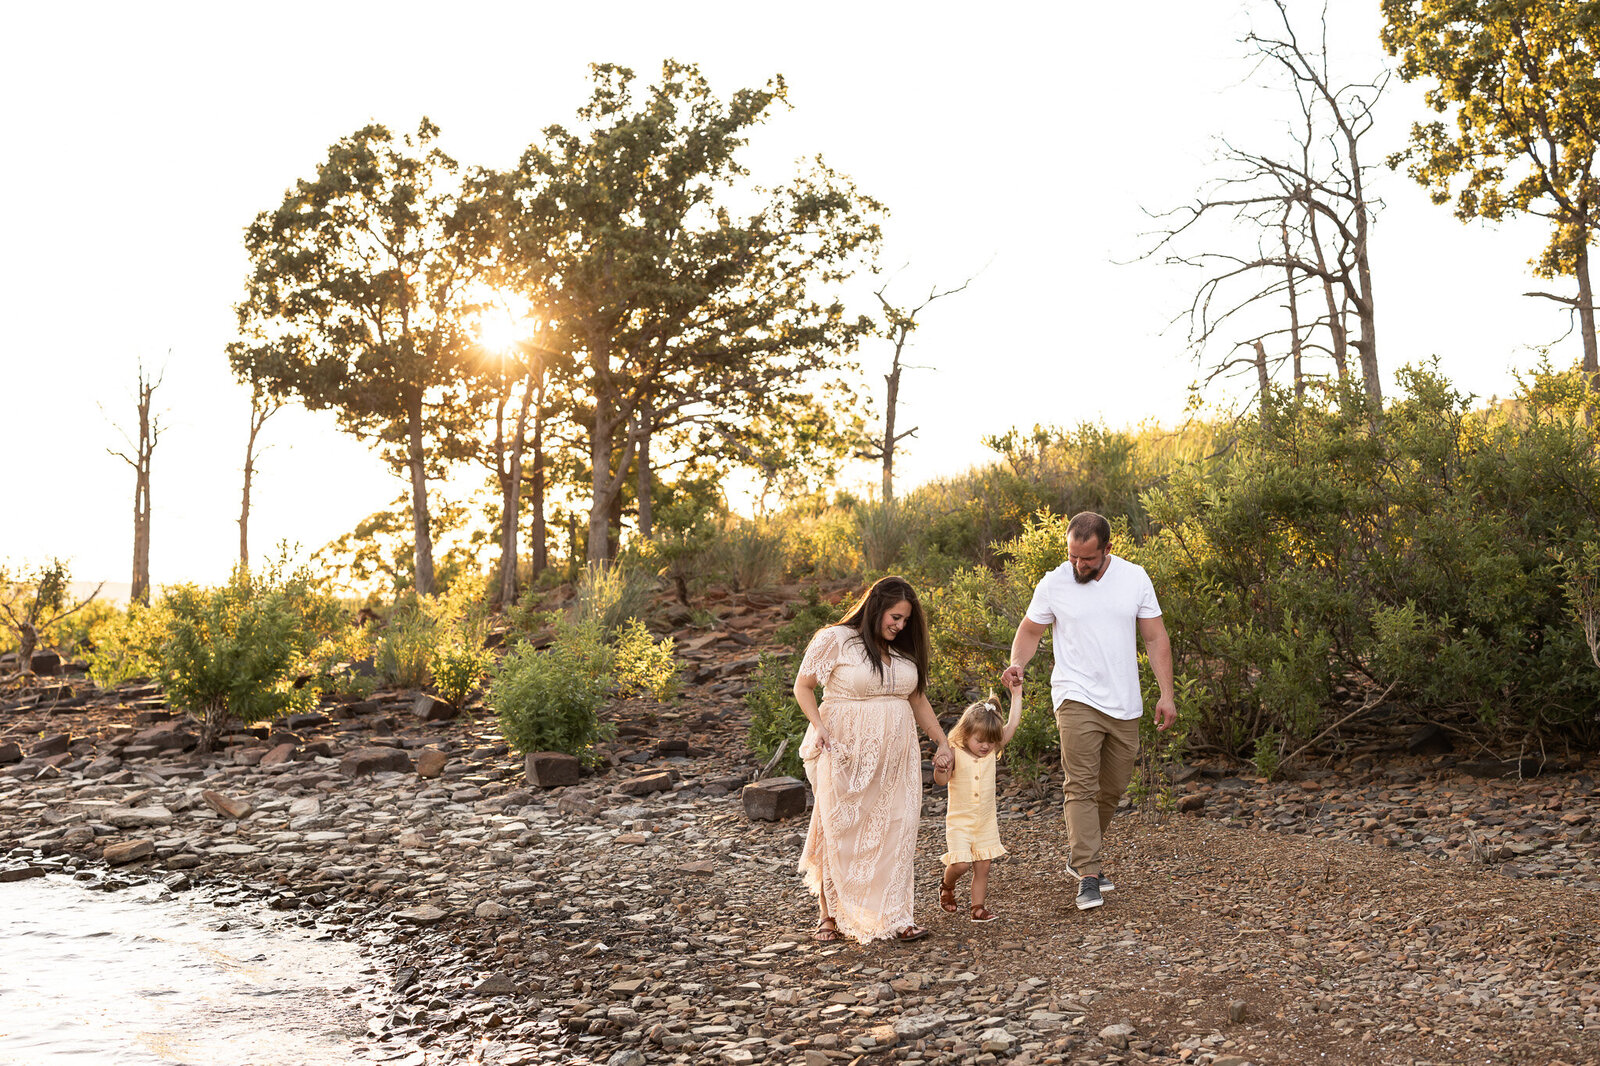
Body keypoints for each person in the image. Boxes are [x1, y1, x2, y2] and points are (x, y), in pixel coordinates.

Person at [1001, 511, 1176, 912]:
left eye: (1088, 559)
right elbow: (1030, 630)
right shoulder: (1054, 582)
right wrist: (1018, 664)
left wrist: (1166, 694)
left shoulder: (1134, 578)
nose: (1078, 565)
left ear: (1107, 550)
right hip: (1074, 695)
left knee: (1112, 788)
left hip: (1124, 701)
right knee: (1080, 784)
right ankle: (1089, 874)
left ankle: (1080, 854)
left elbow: (1155, 637)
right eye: (1073, 557)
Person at [794, 575, 954, 944]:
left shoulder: (901, 652)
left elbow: (917, 700)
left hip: (898, 758)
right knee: (839, 828)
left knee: (897, 829)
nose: (900, 626)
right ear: (877, 607)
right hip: (845, 750)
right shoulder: (835, 639)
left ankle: (899, 916)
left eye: (905, 621)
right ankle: (829, 915)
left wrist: (942, 742)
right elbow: (804, 687)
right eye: (895, 617)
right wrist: (818, 726)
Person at [933, 677, 1023, 922]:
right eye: (980, 740)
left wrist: (1016, 695)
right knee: (961, 864)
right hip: (960, 823)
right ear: (965, 733)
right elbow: (941, 781)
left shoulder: (991, 752)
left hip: (985, 822)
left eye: (991, 741)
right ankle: (947, 886)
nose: (986, 746)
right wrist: (941, 767)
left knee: (983, 866)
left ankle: (977, 908)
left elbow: (1013, 724)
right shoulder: (955, 752)